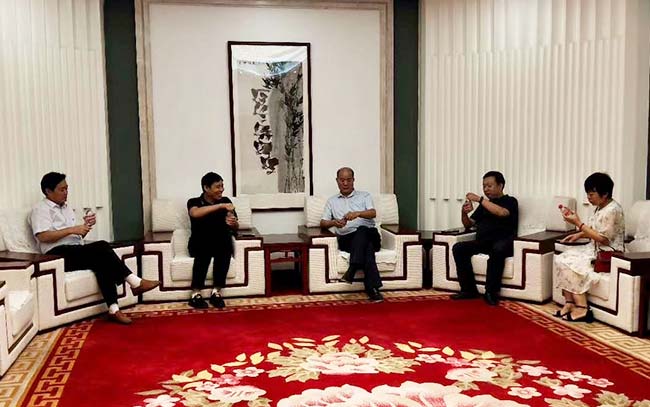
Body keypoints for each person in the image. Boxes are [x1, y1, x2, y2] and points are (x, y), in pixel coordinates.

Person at [31, 172, 160, 325]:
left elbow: (74, 236)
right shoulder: (41, 209)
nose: (66, 193)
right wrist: (72, 229)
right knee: (102, 246)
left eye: (67, 189)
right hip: (56, 255)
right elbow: (43, 236)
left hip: (75, 250)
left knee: (102, 262)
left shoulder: (66, 208)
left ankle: (114, 309)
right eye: (62, 190)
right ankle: (134, 282)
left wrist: (84, 228)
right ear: (48, 191)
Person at [553, 172, 624, 323]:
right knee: (561, 258)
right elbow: (594, 229)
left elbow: (604, 239)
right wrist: (578, 234)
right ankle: (569, 303)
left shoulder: (613, 210)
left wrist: (578, 224)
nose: (588, 198)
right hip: (594, 248)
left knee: (571, 263)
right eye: (587, 194)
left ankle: (582, 308)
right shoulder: (600, 207)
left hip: (609, 253)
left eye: (591, 194)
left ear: (604, 194)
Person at [451, 171, 518, 306]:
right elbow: (469, 224)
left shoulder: (510, 201)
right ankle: (468, 290)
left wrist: (480, 199)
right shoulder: (484, 205)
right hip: (483, 242)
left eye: (489, 186)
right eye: (484, 186)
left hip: (503, 241)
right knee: (459, 248)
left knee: (497, 250)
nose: (486, 189)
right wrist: (464, 213)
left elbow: (502, 212)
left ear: (500, 185)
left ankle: (491, 292)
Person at [320, 167, 383, 302]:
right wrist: (334, 222)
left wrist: (358, 213)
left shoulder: (364, 196)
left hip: (370, 234)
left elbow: (373, 213)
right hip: (347, 239)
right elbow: (323, 223)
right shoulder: (332, 201)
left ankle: (353, 268)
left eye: (348, 180)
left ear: (353, 180)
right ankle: (373, 290)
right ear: (337, 181)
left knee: (362, 230)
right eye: (342, 180)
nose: (345, 183)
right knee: (367, 249)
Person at [187, 172, 239, 309]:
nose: (221, 189)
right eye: (217, 186)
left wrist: (233, 223)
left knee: (225, 246)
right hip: (199, 243)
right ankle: (195, 294)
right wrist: (221, 206)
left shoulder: (226, 200)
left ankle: (216, 292)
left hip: (220, 243)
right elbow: (195, 213)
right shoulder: (194, 202)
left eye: (222, 186)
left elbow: (235, 225)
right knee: (204, 249)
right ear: (206, 188)